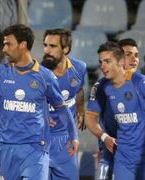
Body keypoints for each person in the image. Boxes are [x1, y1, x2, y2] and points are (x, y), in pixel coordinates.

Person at [0, 24, 78, 180]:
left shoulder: (44, 76)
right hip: (7, 149)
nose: (4, 49)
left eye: (8, 44)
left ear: (23, 45)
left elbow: (62, 108)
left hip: (35, 149)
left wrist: (73, 135)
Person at [86, 41, 145, 179]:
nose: (134, 59)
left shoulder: (141, 83)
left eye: (136, 55)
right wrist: (104, 137)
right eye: (129, 55)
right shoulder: (101, 87)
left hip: (144, 154)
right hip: (112, 152)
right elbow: (90, 118)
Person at [41, 28, 85, 179]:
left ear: (66, 49)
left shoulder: (79, 68)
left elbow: (79, 89)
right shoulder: (37, 73)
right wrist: (42, 115)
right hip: (41, 140)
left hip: (66, 140)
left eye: (52, 46)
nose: (46, 50)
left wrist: (80, 109)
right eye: (45, 45)